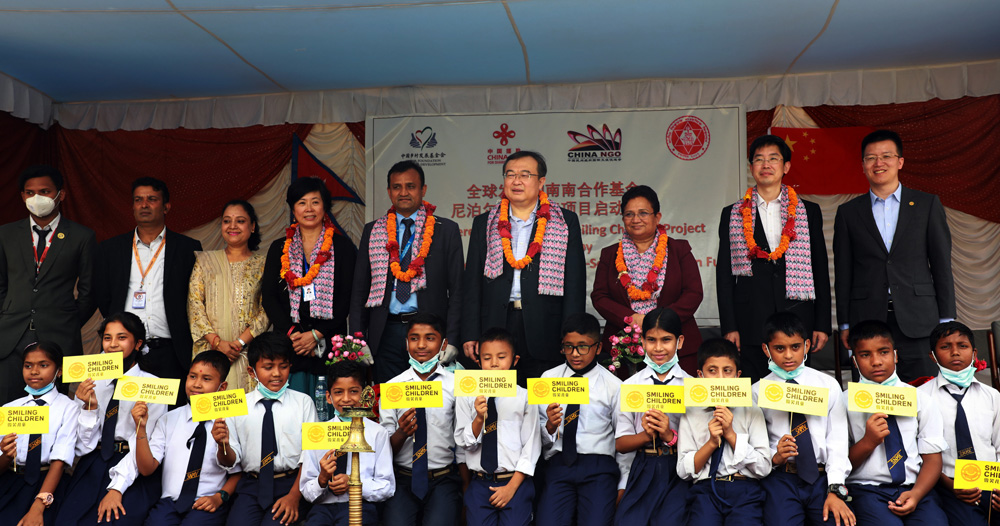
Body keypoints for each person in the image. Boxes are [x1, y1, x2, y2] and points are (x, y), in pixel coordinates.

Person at [834, 129, 955, 382]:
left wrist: (946, 319)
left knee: (923, 390)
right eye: (871, 158)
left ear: (900, 161)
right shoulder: (848, 212)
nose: (878, 163)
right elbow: (843, 273)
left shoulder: (926, 204)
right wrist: (844, 323)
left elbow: (941, 265)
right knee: (872, 395)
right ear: (863, 165)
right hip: (867, 320)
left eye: (886, 156)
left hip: (919, 319)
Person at [462, 150, 586, 385]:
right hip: (496, 325)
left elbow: (575, 284)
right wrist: (470, 333)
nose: (516, 181)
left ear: (541, 182)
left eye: (525, 175)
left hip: (545, 327)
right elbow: (472, 285)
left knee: (544, 400)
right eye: (510, 174)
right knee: (497, 400)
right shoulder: (484, 223)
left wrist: (571, 337)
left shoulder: (565, 221)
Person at [717, 135, 831, 382]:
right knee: (754, 389)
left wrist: (822, 323)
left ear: (786, 166)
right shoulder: (732, 214)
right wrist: (729, 326)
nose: (766, 165)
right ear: (751, 167)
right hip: (750, 319)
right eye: (759, 159)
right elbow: (724, 275)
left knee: (796, 390)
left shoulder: (808, 211)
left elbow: (820, 268)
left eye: (773, 159)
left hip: (797, 316)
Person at [350, 161, 464, 384]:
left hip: (430, 333)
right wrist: (357, 338)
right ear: (389, 191)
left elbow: (458, 290)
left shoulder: (445, 230)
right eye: (397, 187)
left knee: (431, 399)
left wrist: (452, 339)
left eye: (410, 186)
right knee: (390, 397)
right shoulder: (373, 230)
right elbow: (359, 289)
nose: (403, 192)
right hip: (386, 331)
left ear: (423, 190)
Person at [60, 312, 169, 526]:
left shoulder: (153, 385)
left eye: (122, 337)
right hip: (94, 463)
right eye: (107, 338)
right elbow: (82, 447)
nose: (112, 344)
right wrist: (89, 409)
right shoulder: (92, 382)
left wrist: (117, 488)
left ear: (138, 343)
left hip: (133, 465)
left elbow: (150, 444)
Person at [0, 165, 96, 404]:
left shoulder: (81, 236)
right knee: (9, 409)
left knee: (52, 409)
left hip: (58, 336)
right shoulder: (6, 234)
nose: (37, 198)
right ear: (22, 196)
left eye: (44, 191)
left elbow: (89, 291)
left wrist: (67, 319)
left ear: (60, 194)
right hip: (11, 336)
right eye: (30, 192)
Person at [96, 177, 202, 386]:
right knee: (121, 405)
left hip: (172, 350)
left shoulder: (187, 248)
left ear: (166, 207)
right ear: (133, 206)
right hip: (123, 351)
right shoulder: (111, 248)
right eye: (138, 200)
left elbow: (195, 296)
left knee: (170, 406)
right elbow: (103, 295)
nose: (144, 205)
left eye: (152, 199)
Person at [752, 312, 854, 526]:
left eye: (795, 347)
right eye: (780, 348)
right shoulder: (757, 392)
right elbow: (755, 443)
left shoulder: (827, 385)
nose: (788, 355)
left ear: (807, 345)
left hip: (822, 477)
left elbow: (837, 442)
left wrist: (835, 488)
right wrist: (774, 455)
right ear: (766, 349)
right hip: (781, 477)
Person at [592, 184, 703, 375]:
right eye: (629, 214)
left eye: (643, 213)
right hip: (624, 348)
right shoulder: (610, 254)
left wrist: (659, 321)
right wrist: (631, 318)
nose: (636, 219)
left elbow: (693, 293)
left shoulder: (679, 250)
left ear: (657, 217)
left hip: (676, 345)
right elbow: (600, 297)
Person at [846, 320, 948, 526]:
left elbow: (932, 458)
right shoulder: (844, 402)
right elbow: (839, 463)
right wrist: (868, 441)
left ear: (895, 355)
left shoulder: (920, 399)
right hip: (867, 490)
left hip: (916, 487)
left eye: (883, 352)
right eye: (865, 355)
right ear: (854, 361)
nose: (876, 361)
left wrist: (917, 494)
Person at [262, 177, 357, 395]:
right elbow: (269, 297)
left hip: (329, 341)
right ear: (293, 209)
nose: (309, 209)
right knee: (293, 406)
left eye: (315, 202)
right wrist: (294, 333)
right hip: (291, 344)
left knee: (329, 404)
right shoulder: (279, 248)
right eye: (302, 203)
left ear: (325, 206)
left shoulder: (342, 247)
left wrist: (317, 334)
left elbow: (347, 297)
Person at [125, 350, 242, 526]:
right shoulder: (168, 419)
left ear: (222, 387)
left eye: (206, 379)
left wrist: (219, 497)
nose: (197, 384)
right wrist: (140, 428)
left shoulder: (230, 420)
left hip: (207, 502)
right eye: (192, 376)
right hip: (170, 503)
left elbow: (236, 470)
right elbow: (147, 469)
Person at [537, 312, 626, 526]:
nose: (575, 354)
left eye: (583, 347)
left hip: (599, 467)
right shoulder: (548, 379)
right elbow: (535, 433)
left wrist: (623, 483)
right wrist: (550, 426)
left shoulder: (614, 386)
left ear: (598, 347)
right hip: (559, 462)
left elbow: (623, 438)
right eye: (568, 347)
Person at [378, 312, 464, 525]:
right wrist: (402, 433)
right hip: (402, 479)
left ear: (444, 344)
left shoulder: (456, 386)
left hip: (443, 478)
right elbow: (383, 449)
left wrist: (466, 485)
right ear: (406, 343)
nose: (422, 345)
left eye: (430, 338)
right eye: (414, 338)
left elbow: (463, 441)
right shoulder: (392, 388)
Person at [224, 333, 317, 526]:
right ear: (251, 372)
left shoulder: (303, 403)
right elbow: (231, 461)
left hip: (291, 484)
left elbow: (310, 455)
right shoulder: (237, 406)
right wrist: (221, 444)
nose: (276, 373)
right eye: (268, 367)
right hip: (251, 486)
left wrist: (294, 496)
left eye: (283, 366)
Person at [677, 338, 772, 526]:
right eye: (712, 371)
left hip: (745, 488)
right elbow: (683, 471)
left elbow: (763, 467)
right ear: (700, 375)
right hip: (705, 490)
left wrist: (731, 435)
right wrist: (712, 443)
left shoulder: (751, 409)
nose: (720, 378)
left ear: (737, 376)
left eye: (727, 371)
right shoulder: (691, 411)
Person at [455, 327, 541, 526]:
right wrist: (478, 418)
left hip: (515, 482)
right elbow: (464, 443)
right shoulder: (466, 395)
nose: (494, 363)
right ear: (478, 362)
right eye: (487, 358)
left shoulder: (525, 397)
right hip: (480, 482)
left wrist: (511, 488)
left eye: (501, 357)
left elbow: (531, 447)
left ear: (514, 360)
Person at [917, 321, 1000, 526]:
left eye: (962, 346)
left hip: (993, 483)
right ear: (932, 356)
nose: (955, 352)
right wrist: (949, 485)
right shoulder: (921, 397)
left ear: (974, 353)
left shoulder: (992, 396)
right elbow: (918, 453)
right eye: (945, 347)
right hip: (949, 486)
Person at [615, 307, 692, 526]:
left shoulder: (692, 387)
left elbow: (700, 442)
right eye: (651, 340)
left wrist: (670, 436)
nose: (658, 348)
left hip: (678, 468)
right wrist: (646, 435)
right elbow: (621, 444)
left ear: (680, 342)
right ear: (642, 342)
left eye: (666, 340)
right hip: (642, 465)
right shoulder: (630, 386)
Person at [299, 360, 394, 526]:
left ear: (364, 394)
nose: (346, 399)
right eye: (338, 392)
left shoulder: (377, 433)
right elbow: (306, 490)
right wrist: (322, 479)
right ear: (328, 397)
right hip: (323, 507)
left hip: (361, 505)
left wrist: (353, 484)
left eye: (354, 391)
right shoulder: (317, 433)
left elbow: (387, 487)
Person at [188, 200, 270, 392]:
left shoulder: (264, 264)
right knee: (210, 406)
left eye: (240, 221)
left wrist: (239, 344)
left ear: (252, 226)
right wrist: (217, 343)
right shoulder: (205, 261)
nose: (232, 226)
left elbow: (267, 309)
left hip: (247, 353)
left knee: (246, 407)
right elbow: (195, 305)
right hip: (210, 352)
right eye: (227, 221)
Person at [0, 342, 80, 526]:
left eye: (43, 365)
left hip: (48, 484)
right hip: (11, 482)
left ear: (59, 371)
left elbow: (60, 460)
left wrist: (38, 506)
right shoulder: (10, 408)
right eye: (28, 366)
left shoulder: (69, 408)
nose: (34, 371)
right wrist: (5, 454)